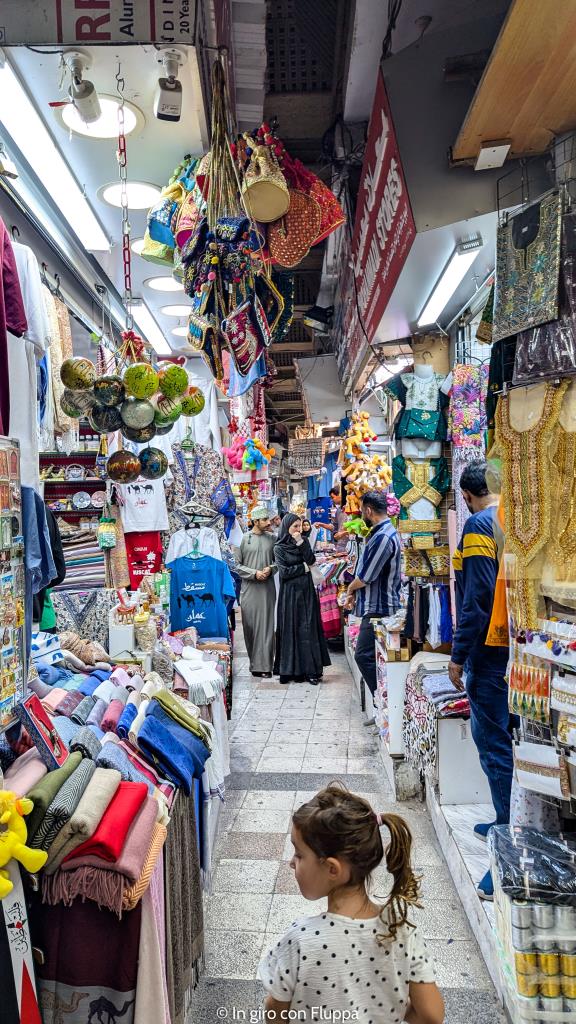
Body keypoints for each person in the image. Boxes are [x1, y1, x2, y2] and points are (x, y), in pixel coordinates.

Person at [258, 784, 444, 1024]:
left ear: (332, 869)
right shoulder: (401, 931)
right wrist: (391, 1009)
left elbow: (275, 1013)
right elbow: (432, 1015)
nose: (292, 863)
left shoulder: (300, 940)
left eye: (299, 854)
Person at [448, 460, 514, 901]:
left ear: (467, 496)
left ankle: (507, 852)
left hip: (489, 653)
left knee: (494, 746)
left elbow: (476, 598)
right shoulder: (512, 516)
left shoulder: (477, 526)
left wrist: (458, 653)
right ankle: (501, 819)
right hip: (518, 647)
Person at [344, 490, 402, 701]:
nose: (361, 516)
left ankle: (383, 701)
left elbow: (367, 576)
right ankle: (384, 705)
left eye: (362, 512)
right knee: (376, 656)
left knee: (364, 656)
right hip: (379, 605)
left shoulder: (383, 537)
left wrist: (351, 589)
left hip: (380, 607)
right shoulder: (383, 533)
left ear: (368, 510)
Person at [274, 513, 331, 685]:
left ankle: (311, 671)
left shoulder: (304, 542)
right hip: (290, 594)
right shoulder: (279, 548)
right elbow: (284, 572)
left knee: (308, 629)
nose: (298, 530)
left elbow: (312, 560)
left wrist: (300, 543)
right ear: (286, 528)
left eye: (300, 526)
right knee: (291, 628)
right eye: (295, 527)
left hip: (306, 592)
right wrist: (304, 567)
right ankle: (291, 670)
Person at [234, 507, 277, 677]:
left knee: (266, 627)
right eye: (265, 520)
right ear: (256, 521)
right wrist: (254, 573)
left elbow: (279, 562)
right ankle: (254, 663)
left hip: (267, 589)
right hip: (249, 590)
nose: (268, 522)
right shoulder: (244, 540)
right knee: (249, 626)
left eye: (268, 519)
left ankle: (265, 666)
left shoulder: (273, 539)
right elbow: (236, 565)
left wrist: (271, 569)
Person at [313, 485, 348, 551]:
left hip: (351, 544)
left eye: (332, 497)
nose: (332, 500)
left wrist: (344, 533)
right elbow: (333, 527)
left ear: (340, 495)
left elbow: (357, 529)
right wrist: (321, 524)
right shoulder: (338, 511)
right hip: (340, 545)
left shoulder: (351, 509)